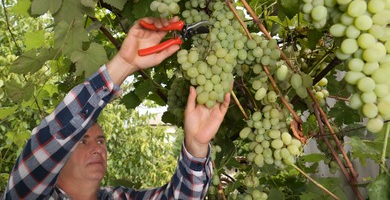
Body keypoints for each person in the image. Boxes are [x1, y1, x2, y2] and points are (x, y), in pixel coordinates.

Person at [3, 17, 231, 199]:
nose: (97, 149)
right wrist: (124, 65)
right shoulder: (29, 194)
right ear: (62, 153)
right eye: (83, 140)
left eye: (100, 141)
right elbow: (45, 147)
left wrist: (195, 146)